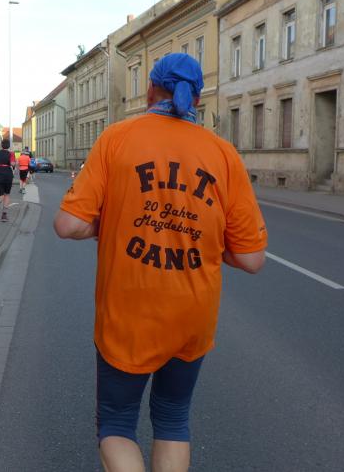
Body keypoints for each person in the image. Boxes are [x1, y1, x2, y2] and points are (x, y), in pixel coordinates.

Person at [54, 53, 267, 472]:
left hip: (128, 314)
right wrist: (207, 241)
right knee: (172, 418)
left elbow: (67, 225)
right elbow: (251, 257)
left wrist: (106, 225)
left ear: (151, 90)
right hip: (192, 315)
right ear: (197, 100)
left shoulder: (117, 139)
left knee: (117, 423)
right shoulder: (223, 155)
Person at [0, 139, 16, 222]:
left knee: (0, 195)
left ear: (1, 145)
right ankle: (4, 215)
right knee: (7, 194)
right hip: (7, 174)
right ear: (9, 145)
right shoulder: (11, 153)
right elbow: (12, 164)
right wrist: (14, 164)